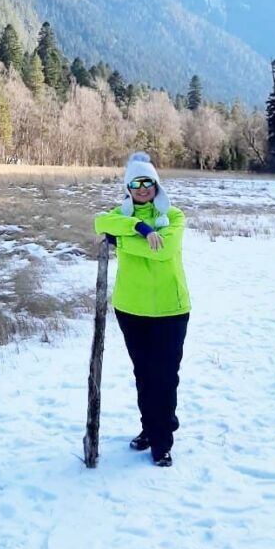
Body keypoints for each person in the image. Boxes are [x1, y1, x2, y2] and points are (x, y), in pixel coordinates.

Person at [94, 151, 190, 467]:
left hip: (170, 309)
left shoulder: (173, 216)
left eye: (148, 182)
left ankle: (162, 442)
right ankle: (150, 428)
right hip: (131, 309)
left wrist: (121, 240)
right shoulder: (120, 216)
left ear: (156, 184)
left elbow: (164, 250)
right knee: (144, 375)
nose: (143, 188)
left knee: (165, 377)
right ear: (128, 187)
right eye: (136, 183)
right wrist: (140, 227)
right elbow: (99, 222)